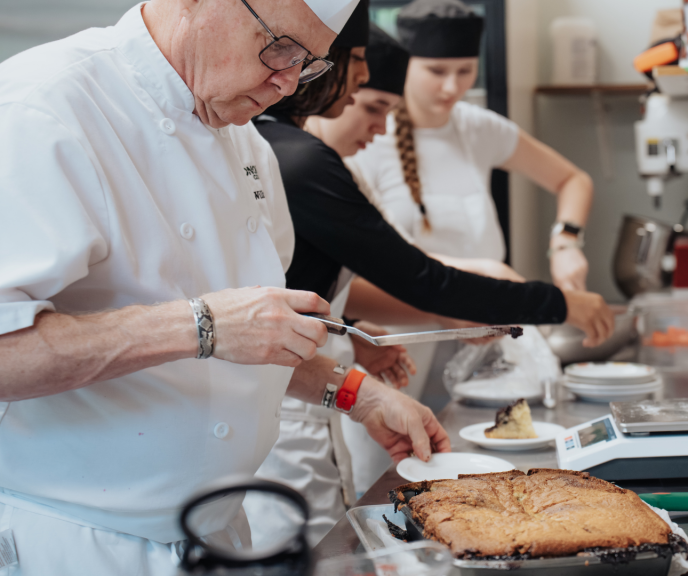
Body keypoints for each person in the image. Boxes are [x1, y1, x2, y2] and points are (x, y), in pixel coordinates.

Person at [0, 0, 448, 573]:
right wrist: (199, 325)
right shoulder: (43, 109)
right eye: (281, 47)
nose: (287, 83)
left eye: (310, 63)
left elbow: (246, 338)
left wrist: (356, 392)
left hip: (219, 533)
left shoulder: (245, 141)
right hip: (78, 542)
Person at [250, 18, 614, 543]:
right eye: (365, 98)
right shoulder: (302, 159)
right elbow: (422, 279)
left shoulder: (282, 149)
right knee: (308, 543)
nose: (370, 117)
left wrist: (354, 329)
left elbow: (303, 285)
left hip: (318, 384)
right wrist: (561, 304)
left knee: (334, 532)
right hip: (284, 408)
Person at [322, 0, 596, 399]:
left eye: (465, 71)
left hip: (486, 341)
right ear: (406, 64)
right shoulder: (367, 131)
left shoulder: (478, 129)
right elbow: (368, 266)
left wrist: (566, 241)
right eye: (436, 71)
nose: (452, 86)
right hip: (400, 345)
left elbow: (573, 178)